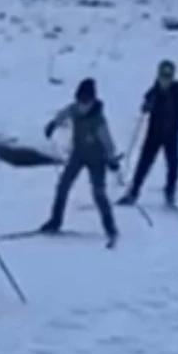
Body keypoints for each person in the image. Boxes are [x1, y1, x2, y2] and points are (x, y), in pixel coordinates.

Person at [40, 78, 120, 243]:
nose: (82, 106)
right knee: (63, 186)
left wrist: (112, 160)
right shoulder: (74, 110)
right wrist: (53, 124)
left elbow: (107, 142)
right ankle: (55, 221)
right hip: (78, 155)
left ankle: (110, 227)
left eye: (85, 102)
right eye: (80, 101)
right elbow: (63, 114)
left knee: (99, 193)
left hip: (97, 160)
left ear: (92, 101)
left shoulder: (98, 120)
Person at [118, 59, 178, 207]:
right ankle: (133, 193)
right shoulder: (153, 92)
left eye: (168, 77)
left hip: (172, 135)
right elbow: (144, 108)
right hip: (154, 135)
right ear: (158, 76)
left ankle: (170, 193)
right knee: (143, 164)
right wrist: (146, 106)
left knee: (174, 164)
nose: (166, 80)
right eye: (163, 77)